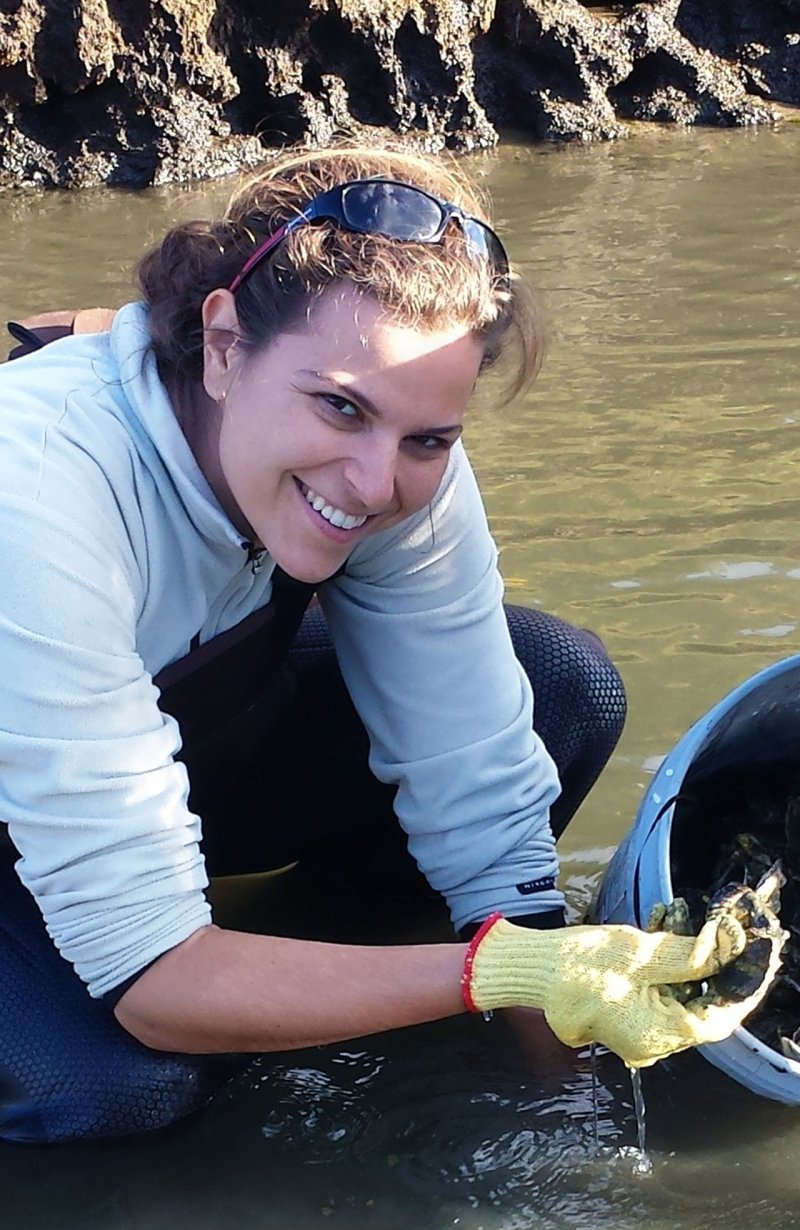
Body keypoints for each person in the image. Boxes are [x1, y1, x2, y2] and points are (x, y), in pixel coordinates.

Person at [0, 142, 762, 1147]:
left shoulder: (399, 461)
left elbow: (491, 822)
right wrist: (490, 974)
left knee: (561, 687)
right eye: (339, 407)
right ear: (223, 345)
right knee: (120, 1083)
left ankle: (312, 961)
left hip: (125, 755)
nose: (371, 483)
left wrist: (564, 1103)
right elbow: (153, 982)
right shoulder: (42, 487)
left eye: (425, 439)